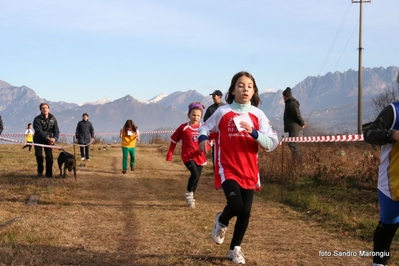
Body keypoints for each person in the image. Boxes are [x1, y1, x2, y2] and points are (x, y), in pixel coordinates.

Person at [198, 71, 279, 264]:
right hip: (227, 167)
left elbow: (272, 143)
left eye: (249, 86)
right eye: (241, 85)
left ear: (254, 91)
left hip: (250, 170)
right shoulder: (222, 112)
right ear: (233, 90)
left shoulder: (258, 115)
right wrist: (203, 138)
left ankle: (235, 249)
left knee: (246, 212)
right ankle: (222, 221)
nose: (245, 89)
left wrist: (254, 133)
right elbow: (204, 127)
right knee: (236, 205)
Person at [363, 72, 399, 266]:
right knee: (387, 227)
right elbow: (368, 134)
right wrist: (392, 135)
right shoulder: (393, 111)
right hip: (392, 185)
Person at [166, 102, 207, 209]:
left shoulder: (204, 128)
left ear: (201, 116)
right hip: (187, 156)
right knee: (195, 175)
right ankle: (188, 192)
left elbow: (210, 140)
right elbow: (174, 140)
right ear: (189, 115)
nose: (196, 117)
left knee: (197, 178)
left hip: (200, 157)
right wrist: (170, 153)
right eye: (193, 115)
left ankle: (192, 197)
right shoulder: (183, 128)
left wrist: (206, 148)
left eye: (198, 115)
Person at [33, 103, 60, 177]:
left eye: (46, 108)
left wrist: (54, 138)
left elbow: (56, 130)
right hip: (38, 140)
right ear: (40, 110)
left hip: (49, 141)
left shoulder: (53, 119)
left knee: (49, 158)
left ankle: (49, 174)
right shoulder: (37, 119)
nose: (45, 109)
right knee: (39, 156)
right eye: (43, 108)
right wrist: (47, 138)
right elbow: (39, 131)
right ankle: (40, 172)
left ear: (49, 109)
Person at [282, 87, 306, 161]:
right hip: (292, 127)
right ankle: (296, 162)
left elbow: (297, 115)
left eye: (283, 96)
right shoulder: (289, 103)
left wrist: (302, 123)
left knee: (292, 144)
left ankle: (299, 162)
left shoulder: (292, 104)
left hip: (294, 127)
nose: (283, 97)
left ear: (286, 96)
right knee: (293, 144)